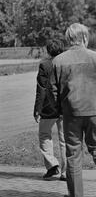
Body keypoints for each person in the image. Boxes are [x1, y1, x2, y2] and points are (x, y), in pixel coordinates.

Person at [51, 23, 96, 197]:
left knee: (73, 153)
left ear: (68, 39)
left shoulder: (58, 61)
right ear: (85, 38)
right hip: (94, 110)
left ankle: (76, 196)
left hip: (71, 113)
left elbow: (53, 91)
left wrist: (59, 108)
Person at [34, 41, 67, 181]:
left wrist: (37, 109)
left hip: (49, 107)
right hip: (66, 106)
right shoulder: (67, 62)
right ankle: (66, 172)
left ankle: (52, 165)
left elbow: (41, 89)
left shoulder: (45, 65)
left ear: (48, 51)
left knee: (44, 135)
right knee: (64, 139)